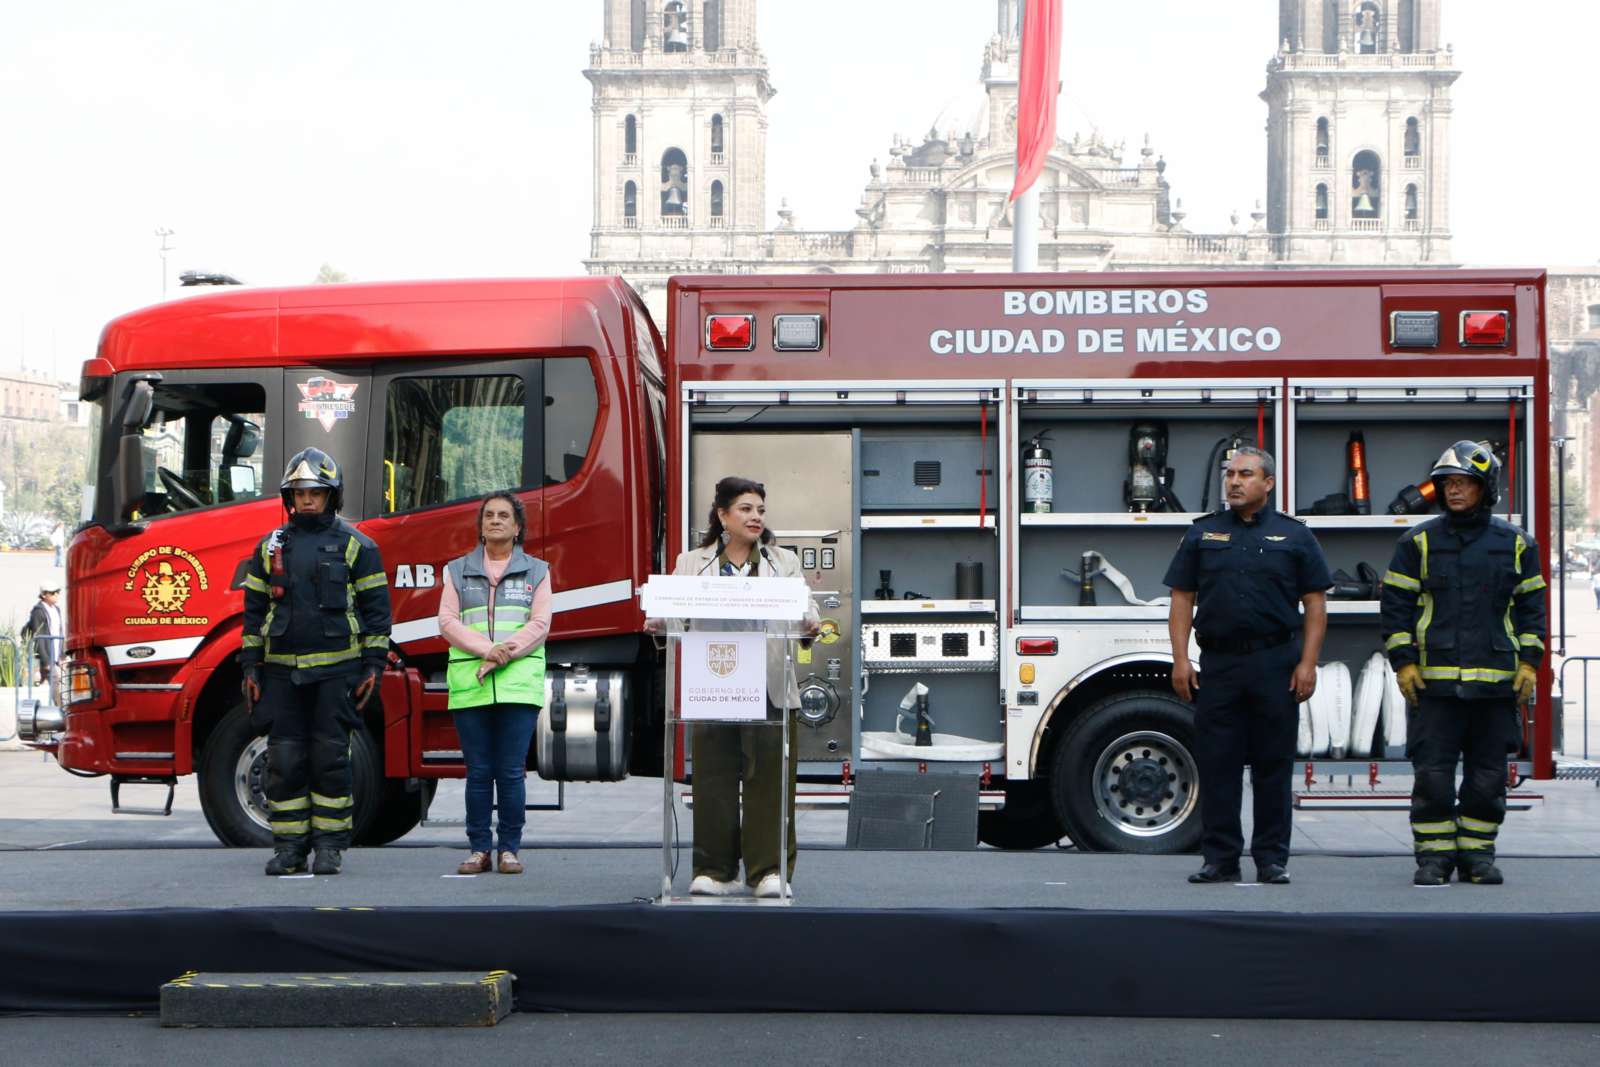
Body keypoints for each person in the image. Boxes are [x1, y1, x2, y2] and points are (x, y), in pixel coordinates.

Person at [1381, 441, 1546, 886]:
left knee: (1488, 778)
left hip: (1496, 688)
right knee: (1432, 777)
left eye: (1463, 484)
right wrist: (1403, 663)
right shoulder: (1417, 542)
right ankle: (1433, 858)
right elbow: (1395, 608)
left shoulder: (1514, 544)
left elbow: (1533, 610)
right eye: (1448, 484)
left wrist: (1529, 664)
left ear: (1484, 488)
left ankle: (1477, 856)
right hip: (1434, 687)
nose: (1453, 492)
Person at [1164, 447, 1331, 886]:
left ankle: (1271, 859)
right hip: (1219, 664)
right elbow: (1182, 599)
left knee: (1272, 765)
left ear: (1268, 483)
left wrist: (1308, 664)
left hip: (1275, 663)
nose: (1234, 482)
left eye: (1245, 474)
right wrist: (1181, 659)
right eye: (1230, 474)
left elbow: (1315, 605)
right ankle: (1219, 858)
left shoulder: (1296, 537)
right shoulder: (1203, 534)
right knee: (1218, 764)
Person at [649, 476, 819, 899]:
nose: (755, 516)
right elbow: (674, 617)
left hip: (769, 686)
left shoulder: (783, 562)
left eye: (760, 509)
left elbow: (806, 605)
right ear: (722, 516)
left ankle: (768, 872)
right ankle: (715, 870)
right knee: (713, 780)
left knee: (770, 782)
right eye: (745, 509)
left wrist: (809, 620)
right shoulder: (693, 562)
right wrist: (659, 622)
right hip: (714, 684)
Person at [239, 448, 392, 877]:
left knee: (330, 762)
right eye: (300, 492)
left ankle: (329, 848)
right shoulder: (270, 548)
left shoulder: (356, 546)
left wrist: (373, 667)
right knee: (283, 763)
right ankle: (289, 849)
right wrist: (250, 667)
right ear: (290, 498)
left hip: (336, 675)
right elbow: (253, 611)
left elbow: (377, 612)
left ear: (332, 496)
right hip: (280, 675)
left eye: (316, 492)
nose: (307, 500)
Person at [438, 491, 552, 876]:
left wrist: (505, 653)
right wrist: (489, 650)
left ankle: (509, 849)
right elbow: (448, 622)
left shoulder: (538, 570)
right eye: (489, 515)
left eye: (505, 515)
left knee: (510, 770)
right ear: (481, 525)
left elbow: (540, 624)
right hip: (472, 683)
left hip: (518, 685)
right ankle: (478, 849)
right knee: (479, 770)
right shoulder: (456, 570)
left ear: (518, 527)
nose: (496, 520)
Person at [22, 586, 63, 699]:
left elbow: (59, 632)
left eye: (57, 592)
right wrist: (45, 660)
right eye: (53, 592)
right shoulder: (38, 612)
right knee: (54, 682)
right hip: (44, 655)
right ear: (44, 595)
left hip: (54, 654)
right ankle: (61, 711)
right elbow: (39, 636)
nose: (56, 595)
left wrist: (61, 654)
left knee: (44, 682)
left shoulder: (56, 610)